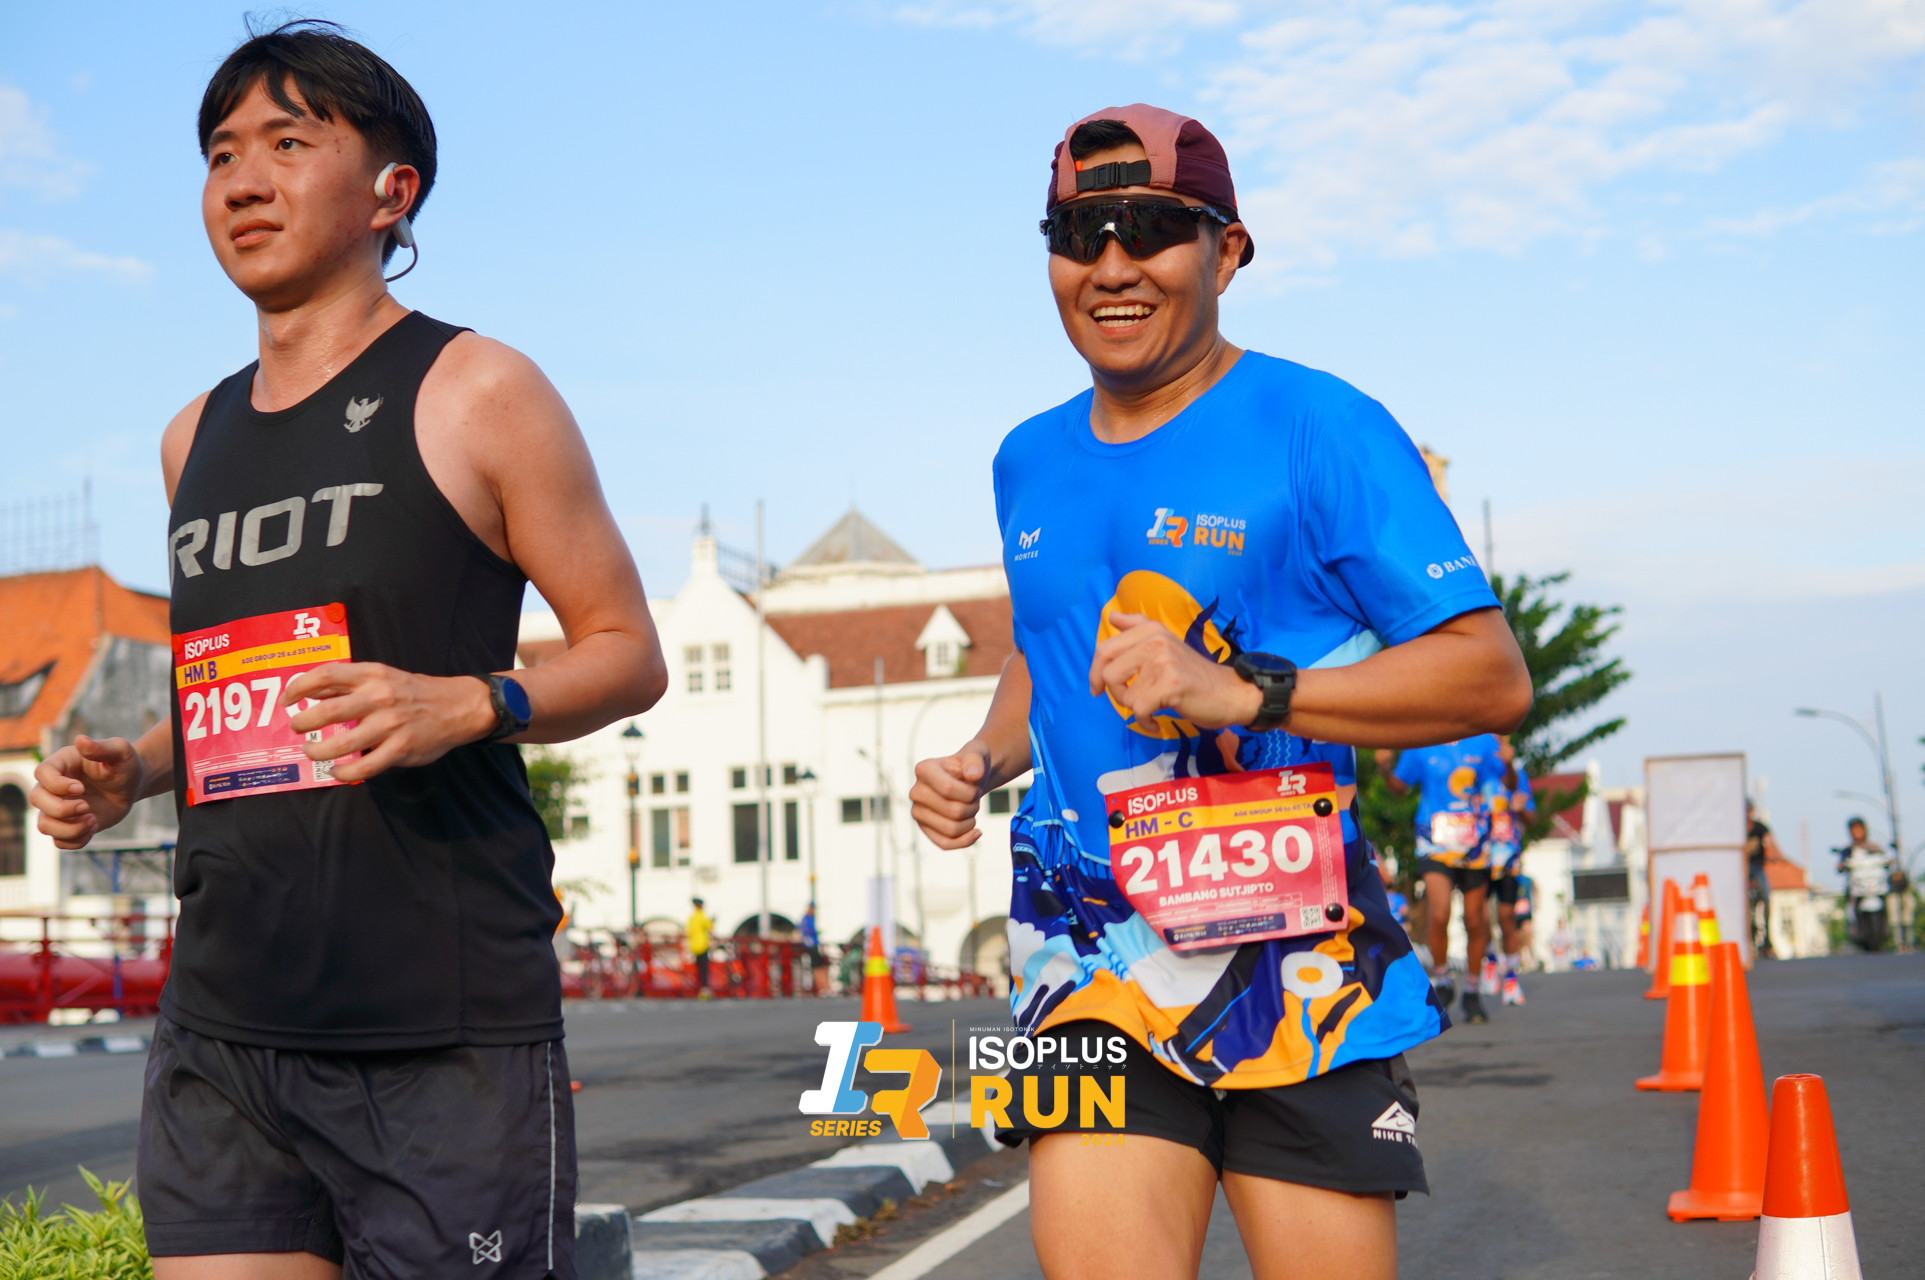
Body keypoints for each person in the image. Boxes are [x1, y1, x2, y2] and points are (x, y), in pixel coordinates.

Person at [28, 22, 665, 1277]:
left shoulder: (478, 388)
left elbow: (627, 650)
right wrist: (134, 772)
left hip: (438, 1023)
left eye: (286, 143)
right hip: (223, 1022)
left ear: (391, 191)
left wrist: (471, 702)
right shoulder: (191, 435)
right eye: (221, 154)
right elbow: (239, 689)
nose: (242, 181)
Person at [909, 104, 1531, 1280]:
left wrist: (1245, 692)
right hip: (1090, 951)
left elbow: (1487, 671)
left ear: (1226, 251)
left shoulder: (1319, 424)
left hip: (1291, 955)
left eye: (1148, 228)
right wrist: (984, 757)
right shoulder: (1024, 457)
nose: (1110, 265)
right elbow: (1047, 645)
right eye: (1077, 234)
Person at [1375, 736, 1512, 1023]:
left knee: (1475, 919)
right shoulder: (1423, 740)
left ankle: (1472, 990)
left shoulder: (1483, 741)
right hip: (1434, 842)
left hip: (1475, 844)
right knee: (1439, 913)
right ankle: (1442, 979)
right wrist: (1385, 769)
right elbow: (1399, 787)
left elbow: (1506, 783)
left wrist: (1509, 765)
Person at [1484, 769, 1535, 1005]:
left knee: (1506, 918)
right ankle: (1490, 960)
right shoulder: (1473, 768)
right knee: (1478, 917)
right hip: (1477, 858)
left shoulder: (1516, 776)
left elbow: (1530, 818)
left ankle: (1511, 979)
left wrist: (1520, 809)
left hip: (1507, 859)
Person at [1834, 817, 1894, 953]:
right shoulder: (1848, 850)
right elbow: (1840, 866)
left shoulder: (1875, 848)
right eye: (1854, 830)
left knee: (1889, 898)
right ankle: (1854, 927)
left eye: (1859, 829)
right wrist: (1842, 866)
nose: (1857, 833)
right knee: (1849, 901)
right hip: (1858, 887)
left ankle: (1886, 927)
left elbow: (1887, 860)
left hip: (1876, 885)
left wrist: (1890, 862)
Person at [1745, 802, 1784, 957]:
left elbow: (1769, 842)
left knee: (1766, 896)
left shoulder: (1759, 828)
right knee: (1742, 901)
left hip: (1757, 866)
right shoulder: (1737, 829)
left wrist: (1773, 857)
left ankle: (1768, 939)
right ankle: (1748, 938)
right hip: (1743, 869)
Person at [688, 897, 715, 997]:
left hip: (694, 945)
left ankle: (699, 987)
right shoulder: (702, 916)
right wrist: (713, 921)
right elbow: (710, 927)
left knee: (698, 968)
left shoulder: (692, 918)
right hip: (702, 945)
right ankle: (704, 988)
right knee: (704, 969)